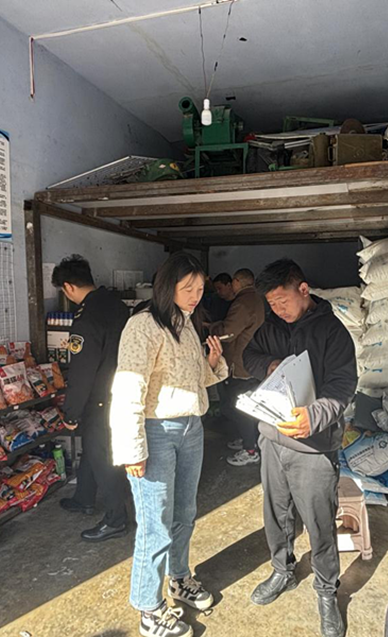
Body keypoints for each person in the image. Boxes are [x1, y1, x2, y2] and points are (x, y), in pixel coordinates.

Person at [110, 252, 228, 637]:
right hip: (156, 432)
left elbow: (193, 381)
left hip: (191, 427)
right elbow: (128, 388)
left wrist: (212, 362)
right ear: (167, 287)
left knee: (185, 512)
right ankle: (149, 608)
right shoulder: (143, 326)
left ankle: (178, 578)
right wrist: (132, 449)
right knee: (155, 525)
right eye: (187, 288)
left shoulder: (186, 323)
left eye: (200, 288)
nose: (195, 295)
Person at [243, 259, 357, 637]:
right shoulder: (272, 328)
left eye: (283, 300)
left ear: (303, 290)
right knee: (276, 514)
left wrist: (314, 417)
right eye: (271, 303)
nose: (278, 309)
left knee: (319, 522)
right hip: (272, 438)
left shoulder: (333, 332)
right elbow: (249, 356)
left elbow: (342, 386)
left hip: (313, 446)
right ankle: (282, 571)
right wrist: (270, 364)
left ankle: (326, 591)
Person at [51, 255, 130, 542]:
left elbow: (82, 372)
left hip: (101, 399)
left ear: (68, 287)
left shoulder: (85, 320)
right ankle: (84, 498)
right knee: (94, 449)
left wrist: (71, 413)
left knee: (103, 457)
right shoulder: (116, 305)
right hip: (123, 390)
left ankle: (116, 519)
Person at [207, 269, 266, 466]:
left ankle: (250, 449)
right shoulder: (257, 299)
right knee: (245, 406)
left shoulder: (242, 303)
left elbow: (228, 332)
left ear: (237, 282)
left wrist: (212, 327)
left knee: (238, 407)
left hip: (240, 363)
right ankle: (248, 439)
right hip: (253, 361)